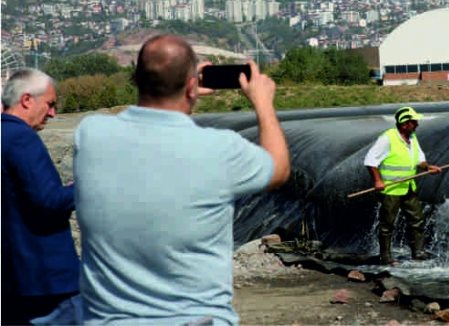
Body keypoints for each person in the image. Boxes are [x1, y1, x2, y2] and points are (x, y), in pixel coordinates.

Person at [73, 34, 291, 326]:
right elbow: (278, 169)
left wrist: (180, 91)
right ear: (192, 86)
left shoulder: (90, 135)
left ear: (136, 78)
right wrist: (262, 102)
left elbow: (142, 124)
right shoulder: (221, 148)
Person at [1, 69, 81, 325]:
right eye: (49, 104)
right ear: (26, 100)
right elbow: (48, 201)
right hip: (46, 282)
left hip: (12, 281)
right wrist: (79, 188)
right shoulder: (22, 138)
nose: (52, 113)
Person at [363, 106, 441, 265]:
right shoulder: (387, 138)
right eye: (414, 122)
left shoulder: (412, 138)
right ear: (404, 124)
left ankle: (418, 253)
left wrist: (427, 167)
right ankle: (386, 257)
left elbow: (420, 159)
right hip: (391, 189)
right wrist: (378, 181)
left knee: (417, 220)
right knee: (387, 224)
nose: (417, 125)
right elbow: (370, 161)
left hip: (408, 187)